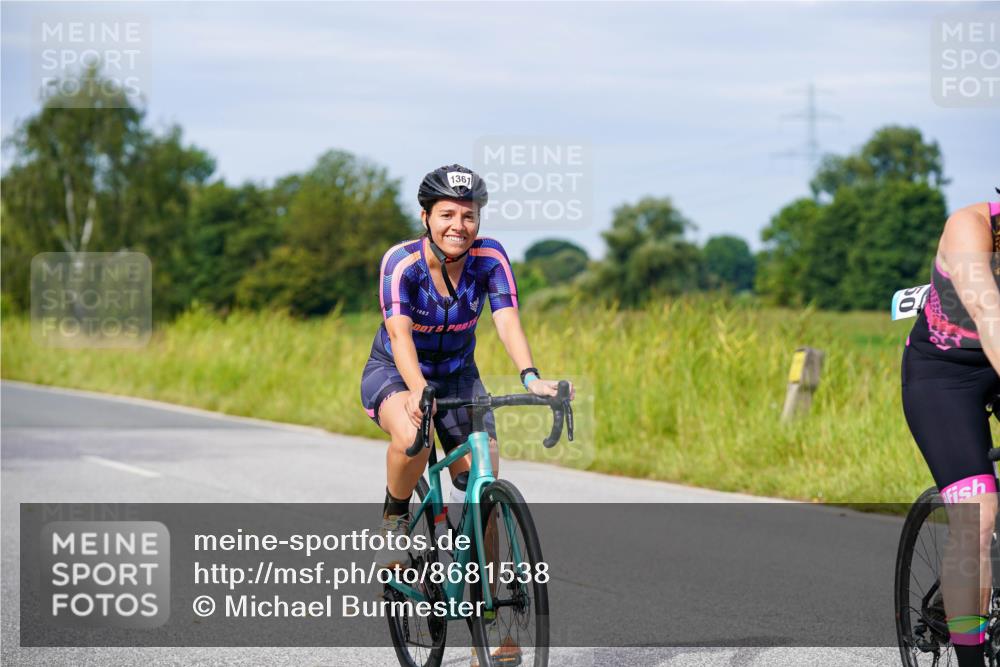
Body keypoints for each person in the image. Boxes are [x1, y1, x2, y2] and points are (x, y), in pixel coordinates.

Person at [360, 163, 568, 664]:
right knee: (414, 433)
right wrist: (415, 391)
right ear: (426, 216)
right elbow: (401, 335)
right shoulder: (401, 263)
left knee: (486, 483)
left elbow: (507, 321)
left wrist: (530, 376)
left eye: (469, 216)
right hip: (396, 369)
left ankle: (492, 625)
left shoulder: (490, 257)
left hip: (458, 374)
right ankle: (394, 517)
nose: (459, 225)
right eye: (447, 214)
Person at [903, 190, 1000, 667]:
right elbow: (989, 316)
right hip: (946, 377)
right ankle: (971, 659)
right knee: (976, 517)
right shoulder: (969, 227)